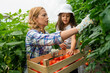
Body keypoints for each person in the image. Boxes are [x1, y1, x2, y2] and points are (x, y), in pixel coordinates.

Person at [25, 6, 93, 73]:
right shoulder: (31, 34)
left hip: (46, 68)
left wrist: (53, 52)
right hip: (35, 70)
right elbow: (51, 39)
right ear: (35, 19)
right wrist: (78, 28)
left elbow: (47, 48)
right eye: (44, 15)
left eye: (47, 15)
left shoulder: (45, 33)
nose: (47, 17)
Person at [55, 4, 78, 73]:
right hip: (63, 50)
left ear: (71, 17)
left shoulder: (72, 26)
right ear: (60, 16)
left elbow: (73, 39)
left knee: (72, 66)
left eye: (67, 16)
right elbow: (57, 38)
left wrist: (72, 49)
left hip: (71, 49)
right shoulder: (58, 26)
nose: (65, 18)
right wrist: (60, 44)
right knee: (64, 66)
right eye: (63, 16)